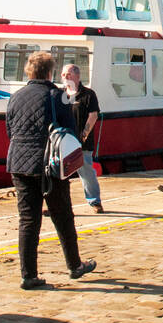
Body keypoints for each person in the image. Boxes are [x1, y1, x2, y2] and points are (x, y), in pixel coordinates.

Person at [5, 51, 96, 289]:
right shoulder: (58, 96)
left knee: (28, 219)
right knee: (62, 215)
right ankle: (74, 265)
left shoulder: (16, 96)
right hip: (50, 165)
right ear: (49, 72)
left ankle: (29, 274)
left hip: (19, 164)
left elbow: (9, 130)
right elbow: (70, 130)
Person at [61, 63, 103, 213]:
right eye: (63, 74)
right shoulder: (60, 95)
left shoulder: (88, 95)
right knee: (59, 174)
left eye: (68, 74)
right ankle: (59, 206)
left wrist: (83, 136)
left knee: (86, 172)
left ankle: (94, 201)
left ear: (77, 76)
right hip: (62, 142)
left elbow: (93, 116)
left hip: (81, 142)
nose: (65, 77)